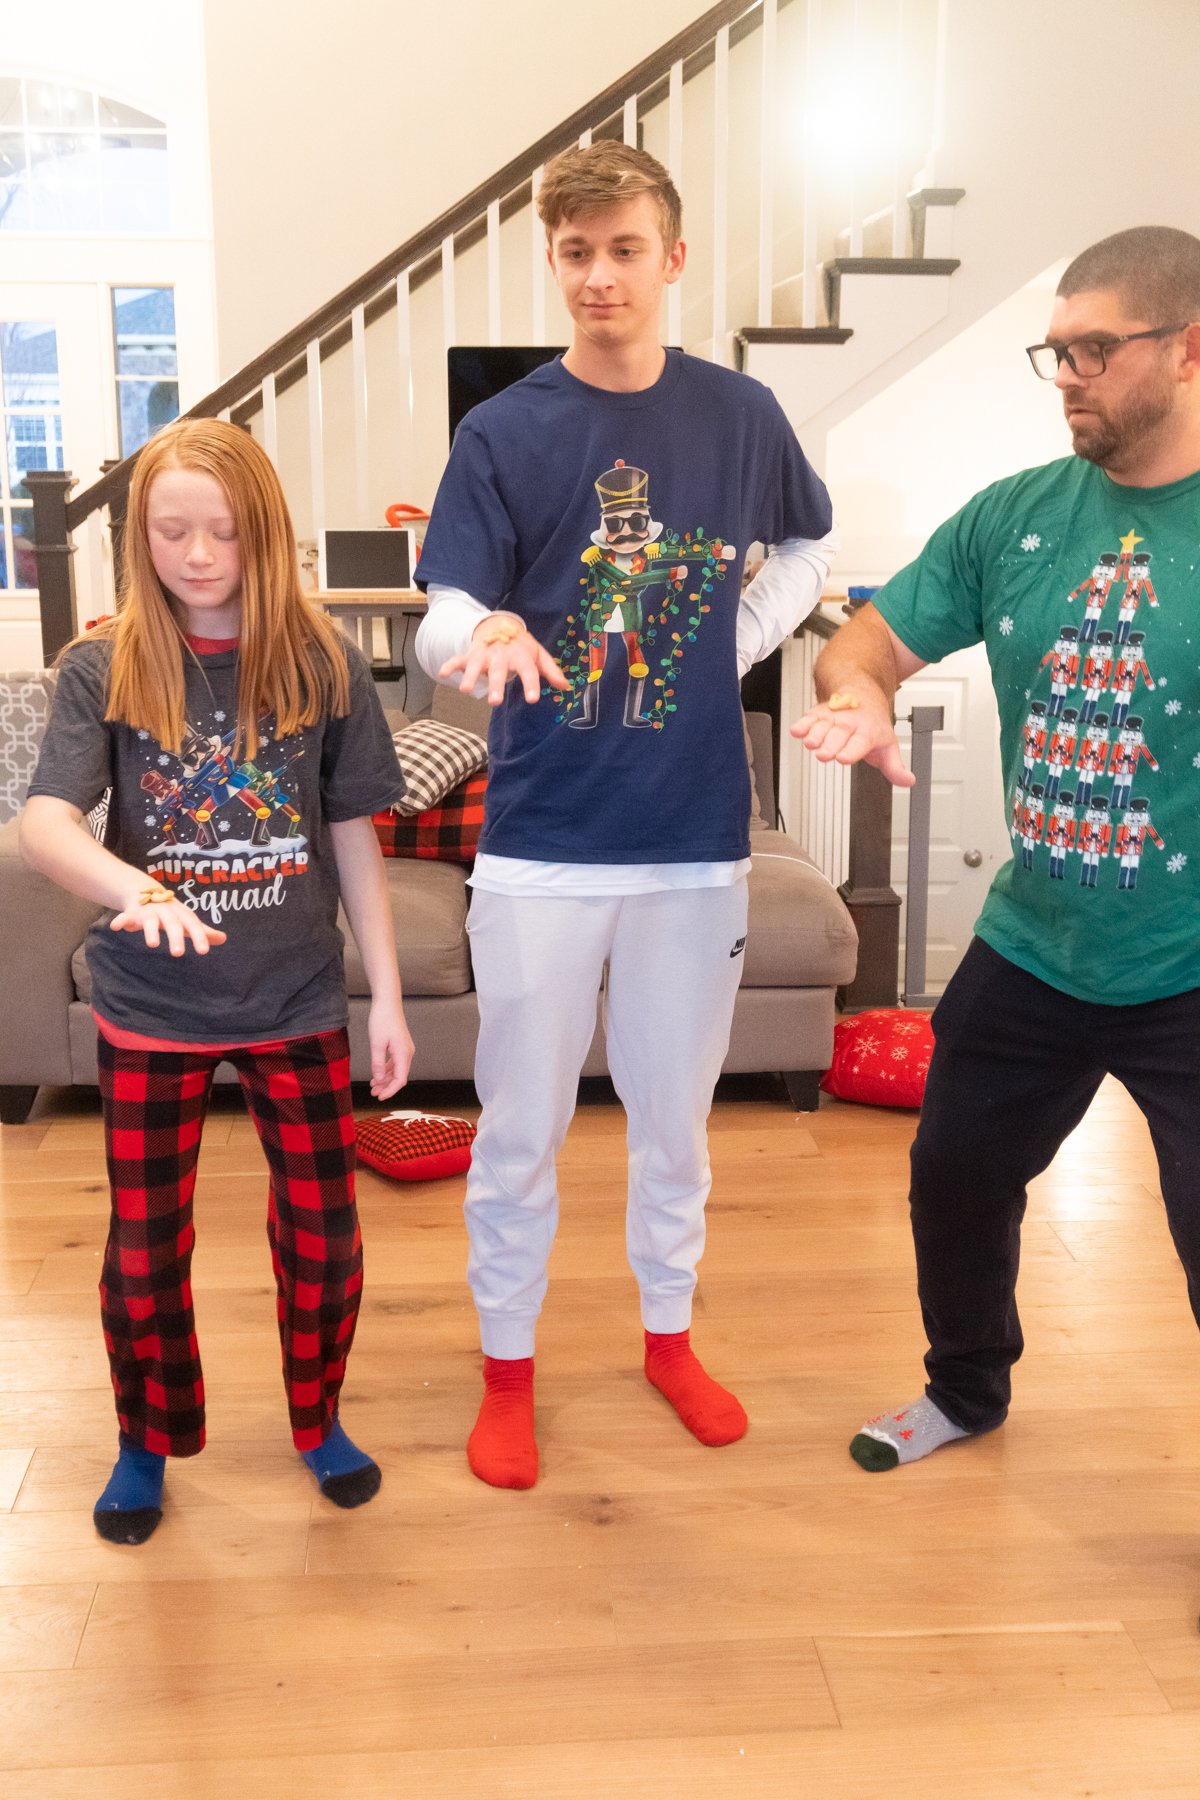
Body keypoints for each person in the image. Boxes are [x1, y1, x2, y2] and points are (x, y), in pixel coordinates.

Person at [414, 140, 836, 1489]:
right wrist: (471, 642)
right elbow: (443, 610)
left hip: (696, 843)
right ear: (556, 260)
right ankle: (508, 1371)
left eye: (624, 249)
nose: (600, 276)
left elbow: (809, 546)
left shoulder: (742, 416)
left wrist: (733, 644)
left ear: (672, 258)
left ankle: (668, 1337)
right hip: (539, 847)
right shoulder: (507, 429)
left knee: (675, 1122)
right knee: (521, 1127)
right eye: (576, 252)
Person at [791, 224, 1200, 1471]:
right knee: (956, 1180)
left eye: (1094, 348)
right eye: (1056, 348)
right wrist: (858, 694)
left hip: (1187, 968)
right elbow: (865, 638)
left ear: (1186, 350)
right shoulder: (1014, 517)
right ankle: (967, 1389)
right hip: (1033, 945)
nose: (1067, 372)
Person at [21, 419, 414, 1541]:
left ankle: (315, 1419)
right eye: (172, 530)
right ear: (140, 535)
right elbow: (47, 821)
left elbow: (351, 839)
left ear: (264, 535)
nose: (197, 555)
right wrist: (135, 893)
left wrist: (383, 996)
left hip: (295, 1001)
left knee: (327, 1238)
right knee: (144, 1253)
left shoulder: (324, 661)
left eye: (224, 532)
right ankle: (146, 1439)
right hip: (152, 1009)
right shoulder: (104, 664)